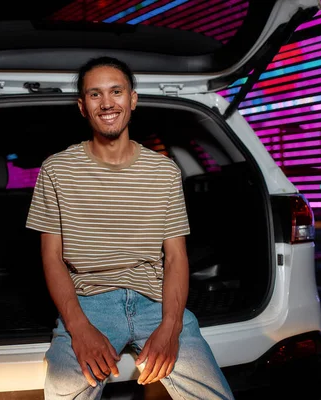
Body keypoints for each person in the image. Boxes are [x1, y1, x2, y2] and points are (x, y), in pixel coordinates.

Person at [25, 56, 234, 400]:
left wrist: (171, 326)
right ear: (82, 106)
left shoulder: (164, 172)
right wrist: (79, 329)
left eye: (116, 91)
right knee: (63, 391)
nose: (107, 103)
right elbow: (51, 258)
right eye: (95, 95)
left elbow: (176, 259)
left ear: (132, 99)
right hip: (89, 303)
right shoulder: (56, 170)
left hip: (157, 302)